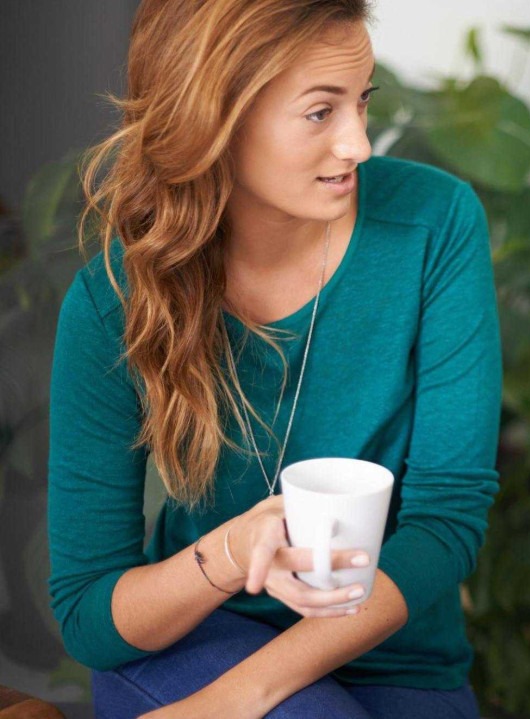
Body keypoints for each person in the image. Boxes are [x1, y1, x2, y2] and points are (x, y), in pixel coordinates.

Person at [47, 1, 500, 717]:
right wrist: (231, 554)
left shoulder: (434, 224)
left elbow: (445, 520)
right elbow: (89, 615)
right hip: (197, 638)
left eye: (362, 101)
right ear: (215, 120)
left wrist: (238, 698)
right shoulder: (111, 304)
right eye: (321, 113)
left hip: (396, 653)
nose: (358, 143)